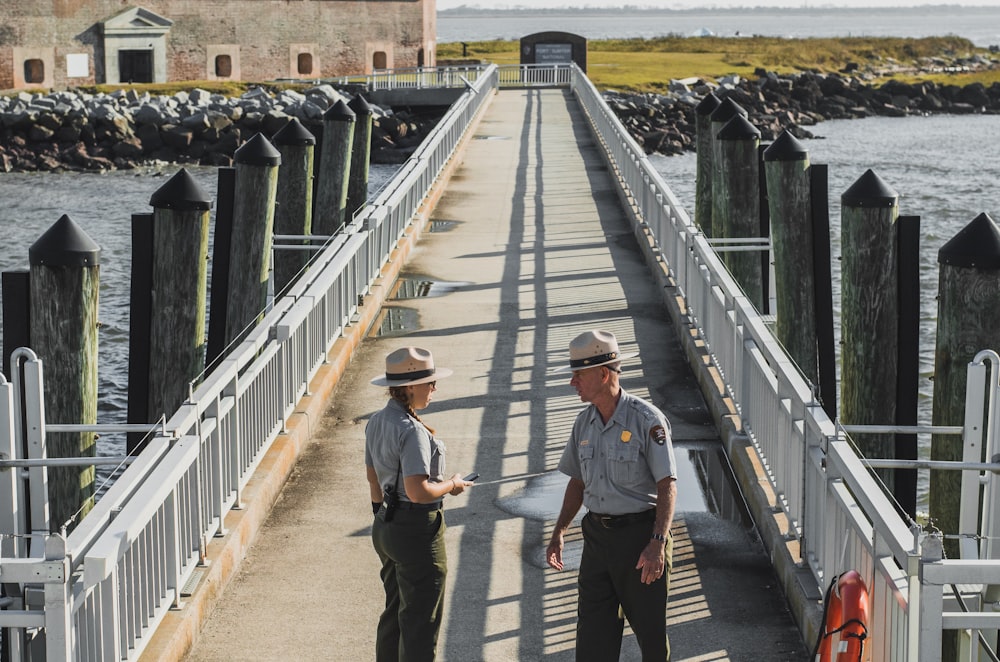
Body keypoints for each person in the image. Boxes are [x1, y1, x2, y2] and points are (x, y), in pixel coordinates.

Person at [546, 329, 678, 661]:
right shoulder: (583, 423)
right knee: (592, 640)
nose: (572, 382)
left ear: (603, 374)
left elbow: (667, 485)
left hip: (640, 541)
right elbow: (577, 482)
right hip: (597, 541)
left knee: (651, 639)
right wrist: (559, 531)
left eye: (579, 374)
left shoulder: (647, 421)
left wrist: (657, 543)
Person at [365, 346, 474, 662]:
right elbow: (418, 491)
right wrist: (452, 485)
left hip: (385, 524)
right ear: (410, 386)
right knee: (420, 623)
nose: (434, 388)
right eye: (430, 382)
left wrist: (382, 517)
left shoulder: (376, 422)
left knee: (394, 613)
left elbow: (373, 480)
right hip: (416, 531)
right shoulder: (411, 431)